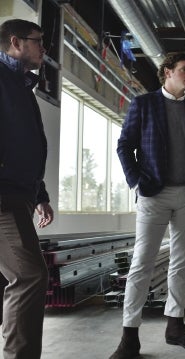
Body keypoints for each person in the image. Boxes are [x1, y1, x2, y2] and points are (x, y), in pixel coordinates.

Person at [111, 52, 185, 359]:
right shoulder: (144, 104)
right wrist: (136, 183)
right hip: (153, 194)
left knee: (181, 264)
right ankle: (130, 336)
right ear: (167, 72)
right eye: (184, 70)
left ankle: (175, 327)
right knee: (142, 262)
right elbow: (124, 145)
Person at [0, 19, 54, 359]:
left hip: (19, 193)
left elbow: (25, 145)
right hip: (2, 196)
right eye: (38, 41)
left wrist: (40, 195)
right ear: (16, 42)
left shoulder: (20, 84)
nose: (43, 48)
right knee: (30, 276)